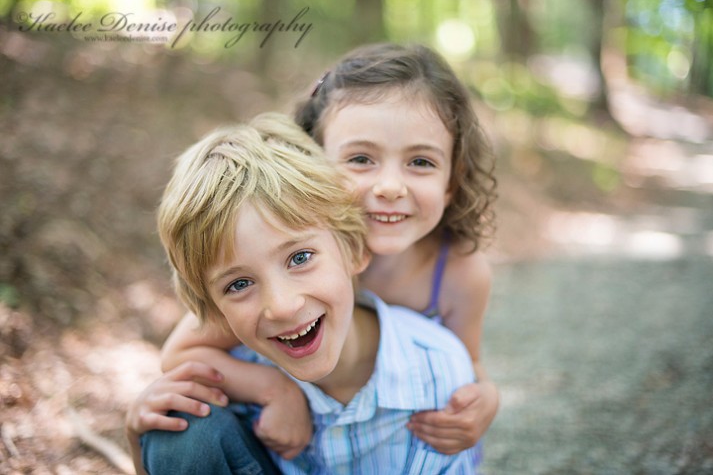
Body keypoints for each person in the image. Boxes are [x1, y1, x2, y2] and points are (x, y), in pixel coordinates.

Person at [131, 42, 499, 468]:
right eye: (361, 159)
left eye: (420, 162)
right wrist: (273, 388)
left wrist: (486, 399)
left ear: (453, 180)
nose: (390, 187)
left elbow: (469, 361)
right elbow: (180, 353)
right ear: (311, 165)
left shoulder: (458, 272)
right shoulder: (277, 251)